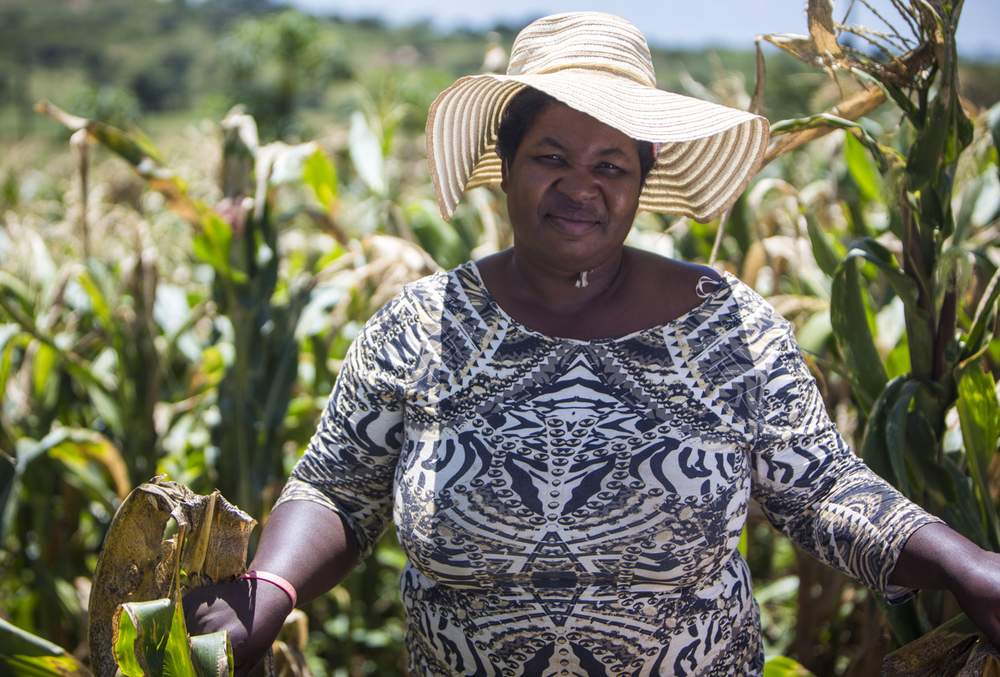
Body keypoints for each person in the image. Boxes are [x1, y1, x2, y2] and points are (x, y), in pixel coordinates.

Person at [185, 12, 1000, 676]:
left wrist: (967, 565)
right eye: (551, 156)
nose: (581, 186)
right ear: (504, 164)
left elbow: (821, 489)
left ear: (642, 181)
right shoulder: (420, 327)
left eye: (612, 164)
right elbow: (336, 486)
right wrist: (273, 584)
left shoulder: (728, 327)